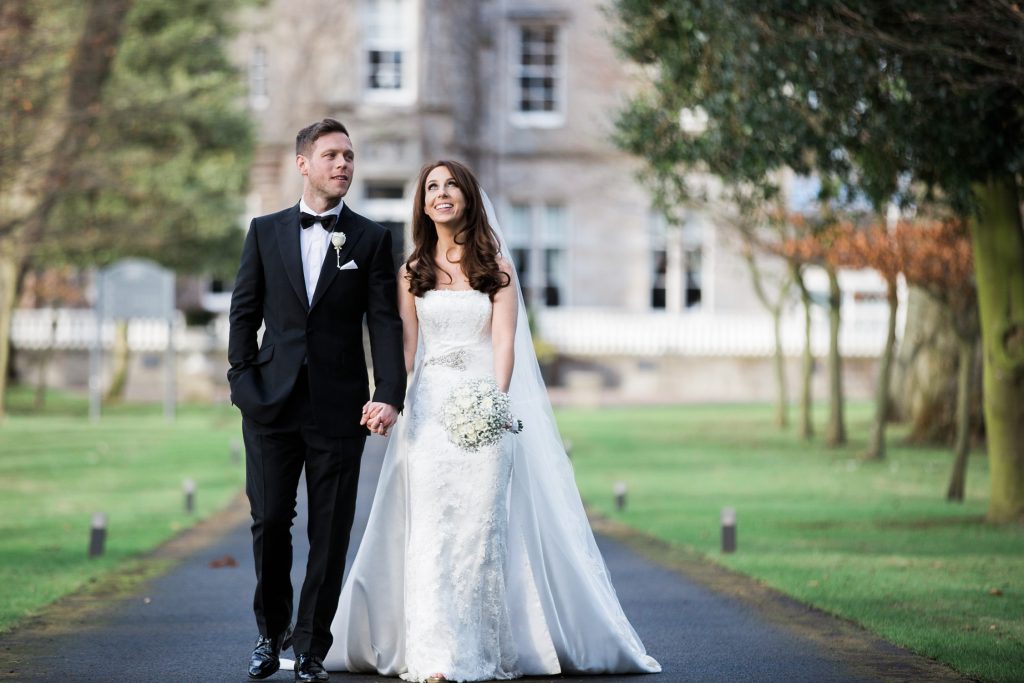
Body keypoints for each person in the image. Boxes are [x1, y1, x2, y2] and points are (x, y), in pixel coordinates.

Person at [324, 160, 661, 681]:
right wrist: (391, 398)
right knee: (431, 529)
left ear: (468, 197)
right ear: (422, 204)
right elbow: (406, 348)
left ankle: (477, 647)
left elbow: (504, 342)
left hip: (483, 408)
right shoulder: (412, 270)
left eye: (450, 185)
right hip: (429, 415)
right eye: (431, 187)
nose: (441, 193)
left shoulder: (496, 266)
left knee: (480, 530)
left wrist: (494, 403)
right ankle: (435, 654)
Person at [227, 118, 405, 683]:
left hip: (340, 407)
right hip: (270, 403)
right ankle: (269, 634)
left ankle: (310, 648)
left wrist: (389, 393)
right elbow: (243, 311)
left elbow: (384, 322)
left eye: (349, 156)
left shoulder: (372, 239)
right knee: (269, 520)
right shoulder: (264, 231)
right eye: (331, 155)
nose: (343, 164)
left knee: (329, 531)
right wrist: (241, 380)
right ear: (303, 164)